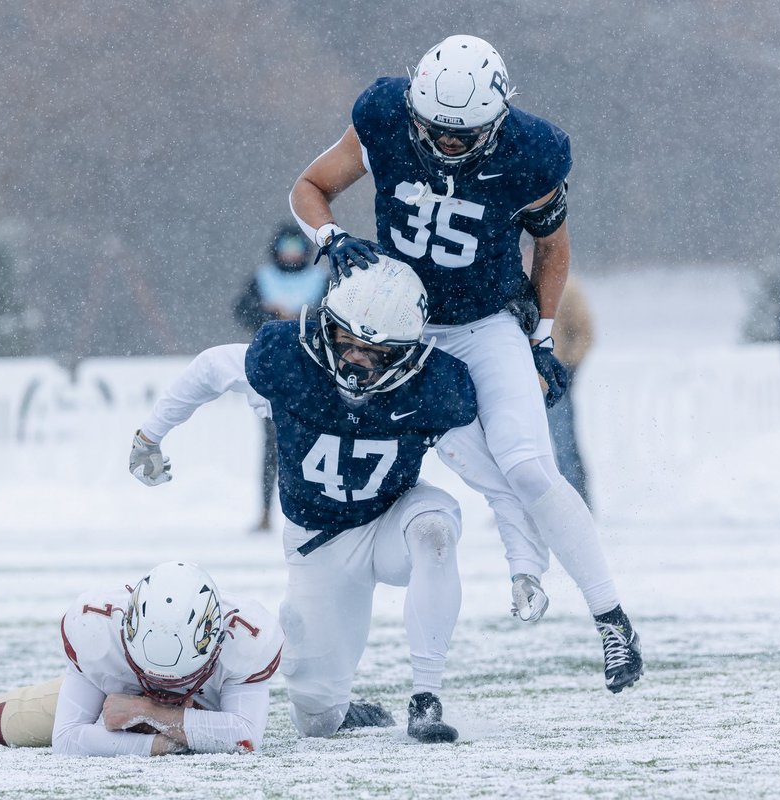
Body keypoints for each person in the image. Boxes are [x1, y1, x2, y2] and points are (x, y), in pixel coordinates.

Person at [289, 34, 642, 692]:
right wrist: (331, 239)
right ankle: (513, 576)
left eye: (465, 132)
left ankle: (612, 619)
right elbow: (310, 187)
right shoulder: (384, 115)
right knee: (472, 474)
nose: (449, 144)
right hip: (406, 337)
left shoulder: (532, 151)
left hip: (484, 326)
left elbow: (553, 249)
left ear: (499, 116)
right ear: (415, 110)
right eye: (437, 130)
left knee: (530, 467)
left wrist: (539, 337)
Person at [130, 257, 498, 743]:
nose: (355, 360)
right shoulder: (288, 360)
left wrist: (525, 554)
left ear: (407, 352)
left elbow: (497, 480)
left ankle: (426, 700)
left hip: (391, 519)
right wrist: (149, 436)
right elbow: (209, 368)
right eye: (347, 342)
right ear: (327, 327)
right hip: (319, 541)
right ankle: (343, 709)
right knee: (316, 720)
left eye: (376, 350)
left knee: (434, 531)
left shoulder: (433, 387)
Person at [0, 562, 283, 756]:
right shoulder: (97, 632)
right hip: (107, 697)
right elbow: (67, 739)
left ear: (214, 637)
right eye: (148, 671)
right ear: (128, 630)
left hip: (124, 710)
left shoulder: (246, 640)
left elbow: (245, 739)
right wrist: (156, 743)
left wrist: (147, 712)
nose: (159, 682)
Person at [233, 224, 328, 531]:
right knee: (272, 445)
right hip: (274, 375)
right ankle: (265, 513)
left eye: (296, 245)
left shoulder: (321, 279)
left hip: (316, 374)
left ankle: (317, 511)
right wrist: (269, 313)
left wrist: (308, 315)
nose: (290, 252)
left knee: (317, 442)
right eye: (285, 245)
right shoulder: (262, 280)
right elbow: (241, 310)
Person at [545, 276, 595, 507]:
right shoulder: (513, 283)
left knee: (565, 446)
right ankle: (524, 508)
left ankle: (578, 503)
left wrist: (569, 369)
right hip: (523, 388)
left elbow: (585, 332)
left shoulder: (567, 288)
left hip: (555, 384)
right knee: (525, 452)